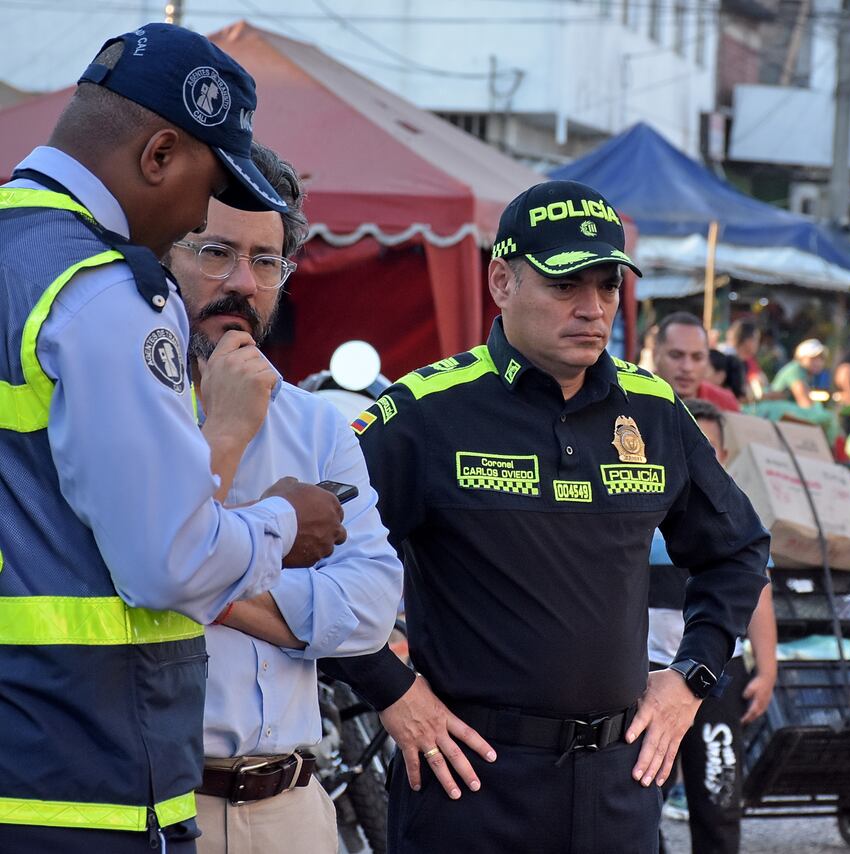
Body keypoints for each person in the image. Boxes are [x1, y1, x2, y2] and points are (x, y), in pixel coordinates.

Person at [321, 180, 770, 853]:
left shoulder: (651, 411)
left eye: (607, 286)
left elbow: (737, 550)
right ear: (502, 282)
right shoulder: (424, 414)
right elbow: (312, 557)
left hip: (619, 786)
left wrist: (690, 679)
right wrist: (392, 690)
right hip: (468, 784)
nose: (593, 309)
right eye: (566, 285)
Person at [0, 24, 347, 853]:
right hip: (88, 783)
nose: (199, 213)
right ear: (159, 155)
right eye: (208, 188)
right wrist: (286, 522)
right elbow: (171, 564)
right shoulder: (106, 290)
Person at [165, 143, 404, 854]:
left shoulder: (318, 421)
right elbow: (134, 572)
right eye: (216, 253)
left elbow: (370, 604)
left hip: (295, 808)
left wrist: (217, 592)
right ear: (163, 254)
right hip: (161, 805)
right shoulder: (123, 408)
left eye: (265, 261)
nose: (242, 283)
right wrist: (231, 435)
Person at [649, 398, 777, 854]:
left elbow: (757, 595)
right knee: (644, 801)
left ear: (723, 455)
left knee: (719, 802)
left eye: (710, 446)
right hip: (648, 678)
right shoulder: (642, 509)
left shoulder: (734, 518)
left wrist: (767, 669)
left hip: (718, 679)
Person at [652, 311, 741, 412]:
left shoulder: (725, 404)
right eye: (676, 355)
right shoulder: (633, 399)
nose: (687, 367)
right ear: (655, 355)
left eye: (697, 357)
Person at [770, 338, 831, 408]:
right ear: (801, 358)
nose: (818, 362)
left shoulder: (809, 374)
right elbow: (806, 404)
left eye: (821, 358)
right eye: (813, 358)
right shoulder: (795, 369)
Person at [722, 319, 768, 400]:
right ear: (747, 341)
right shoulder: (726, 358)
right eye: (756, 339)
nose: (758, 344)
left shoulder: (747, 360)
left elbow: (762, 383)